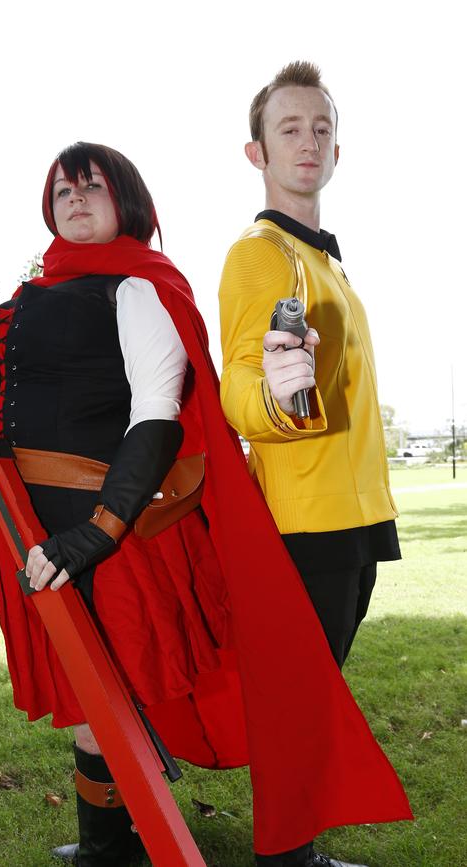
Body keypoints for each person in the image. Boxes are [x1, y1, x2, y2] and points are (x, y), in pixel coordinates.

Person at [0, 142, 410, 866]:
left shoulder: (139, 287)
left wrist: (99, 531)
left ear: (127, 201)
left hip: (116, 531)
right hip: (26, 524)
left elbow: (157, 415)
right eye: (62, 190)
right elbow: (3, 391)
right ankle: (108, 844)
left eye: (91, 186)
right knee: (82, 694)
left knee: (125, 684)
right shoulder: (28, 294)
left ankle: (262, 836)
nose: (74, 198)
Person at [219, 62, 404, 865]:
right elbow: (240, 384)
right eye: (289, 128)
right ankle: (288, 858)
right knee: (299, 704)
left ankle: (298, 849)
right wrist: (274, 398)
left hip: (355, 516)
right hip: (305, 524)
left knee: (314, 700)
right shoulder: (260, 256)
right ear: (255, 153)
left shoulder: (327, 262)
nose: (309, 140)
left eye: (321, 127)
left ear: (338, 151)